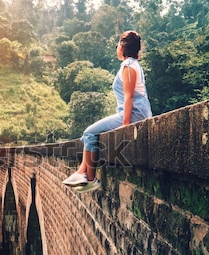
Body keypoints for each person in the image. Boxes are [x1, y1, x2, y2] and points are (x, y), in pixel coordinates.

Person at [63, 30, 152, 193]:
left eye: (117, 44)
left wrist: (125, 125)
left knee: (90, 133)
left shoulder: (128, 66)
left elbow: (129, 97)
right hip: (137, 112)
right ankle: (82, 172)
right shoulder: (132, 65)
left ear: (123, 46)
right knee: (89, 134)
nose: (116, 47)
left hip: (134, 114)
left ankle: (89, 178)